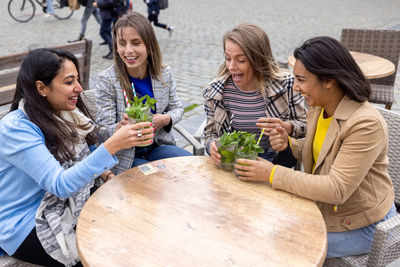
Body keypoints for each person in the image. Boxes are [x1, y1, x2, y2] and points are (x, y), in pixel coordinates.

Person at [234, 36, 396, 258]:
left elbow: (336, 189)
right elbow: (320, 154)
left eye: (301, 79)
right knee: (257, 219)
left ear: (328, 80)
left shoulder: (365, 124)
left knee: (276, 243)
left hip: (362, 224)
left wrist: (271, 173)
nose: (297, 87)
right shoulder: (320, 108)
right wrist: (289, 143)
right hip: (324, 209)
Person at [0, 48, 153, 266]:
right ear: (42, 88)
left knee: (133, 225)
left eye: (78, 80)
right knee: (105, 254)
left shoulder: (62, 113)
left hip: (65, 205)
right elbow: (59, 185)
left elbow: (84, 151)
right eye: (70, 82)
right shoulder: (16, 128)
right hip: (23, 223)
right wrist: (112, 145)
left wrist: (108, 175)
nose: (79, 89)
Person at [95, 12, 191, 175]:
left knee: (190, 168)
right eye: (122, 43)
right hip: (125, 155)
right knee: (155, 181)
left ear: (149, 44)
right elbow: (102, 131)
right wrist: (120, 127)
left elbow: (178, 109)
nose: (128, 50)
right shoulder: (108, 80)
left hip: (158, 146)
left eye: (136, 43)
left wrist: (165, 119)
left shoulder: (163, 75)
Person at [204, 23, 307, 168]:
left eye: (241, 60)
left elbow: (306, 126)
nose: (231, 67)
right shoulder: (216, 92)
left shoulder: (287, 85)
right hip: (234, 162)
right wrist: (211, 147)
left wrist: (287, 127)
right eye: (227, 58)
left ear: (258, 59)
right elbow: (210, 135)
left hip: (275, 161)